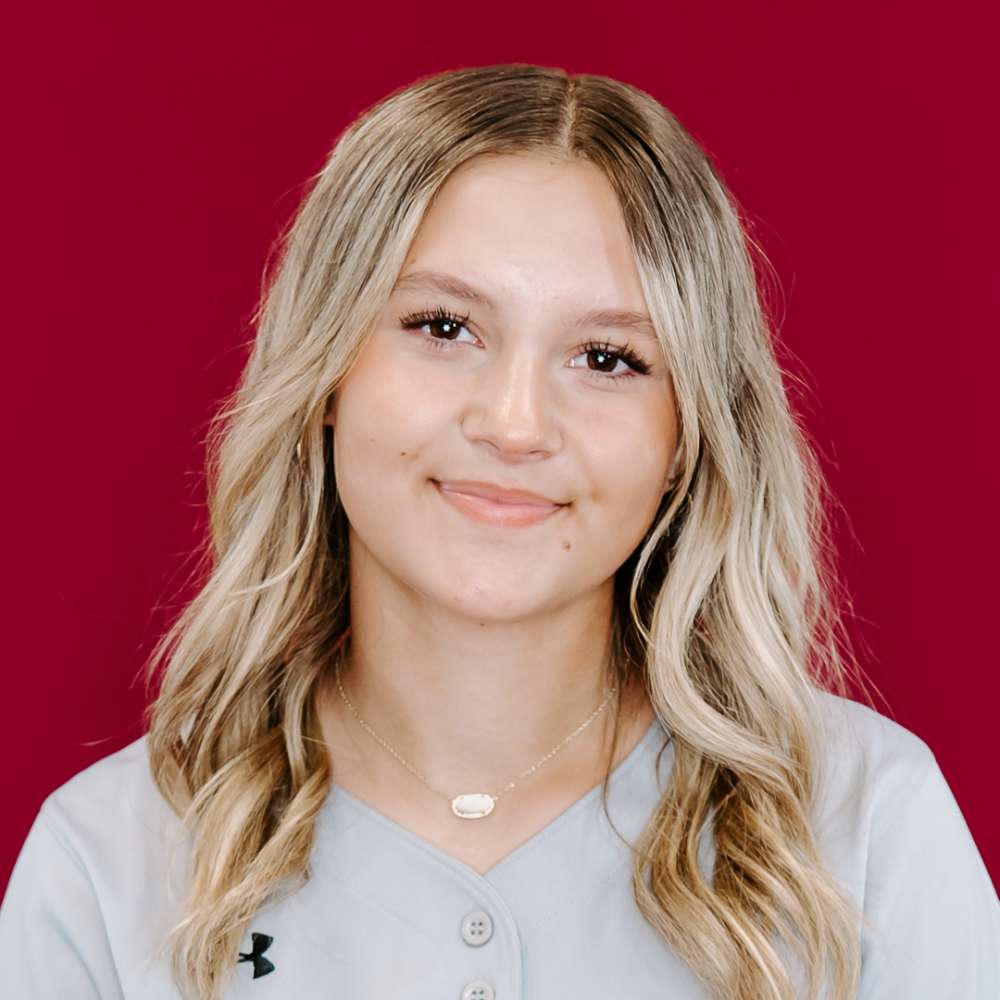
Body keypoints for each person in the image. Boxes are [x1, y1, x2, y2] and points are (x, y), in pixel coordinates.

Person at [1, 62, 997, 1000]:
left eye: (606, 357)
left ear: (686, 435)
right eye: (443, 327)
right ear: (327, 375)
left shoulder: (869, 829)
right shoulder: (107, 864)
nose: (515, 425)